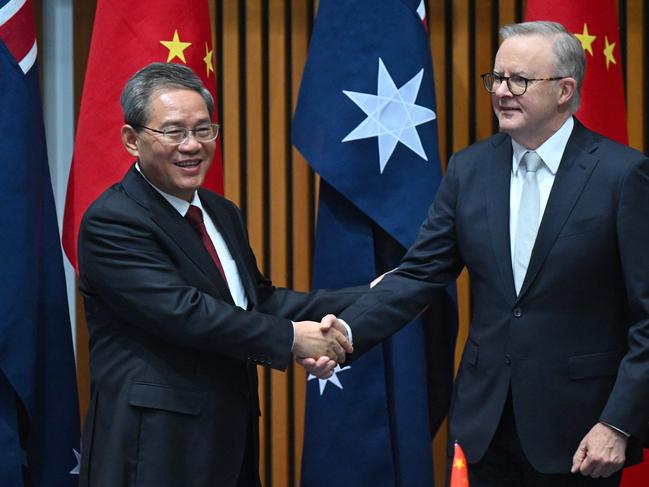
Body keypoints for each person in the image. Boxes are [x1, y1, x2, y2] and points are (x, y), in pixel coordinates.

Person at [308, 21, 649, 486]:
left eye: (519, 81)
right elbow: (419, 275)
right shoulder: (469, 168)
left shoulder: (622, 175)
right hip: (484, 425)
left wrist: (618, 423)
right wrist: (346, 332)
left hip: (580, 431)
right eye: (497, 78)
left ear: (565, 90)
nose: (503, 92)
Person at [77, 62, 362, 487]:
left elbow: (258, 302)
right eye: (174, 132)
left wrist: (366, 297)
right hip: (154, 451)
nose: (192, 146)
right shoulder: (112, 221)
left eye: (204, 129)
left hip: (230, 442)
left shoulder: (220, 212)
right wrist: (290, 339)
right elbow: (185, 313)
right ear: (131, 140)